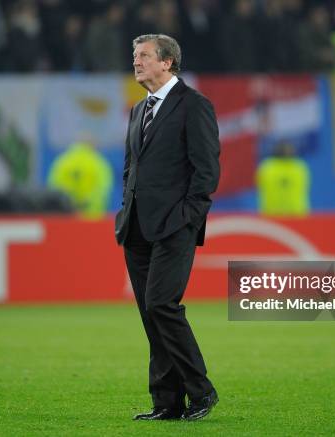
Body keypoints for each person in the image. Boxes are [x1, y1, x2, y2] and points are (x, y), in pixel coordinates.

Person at [114, 34, 220, 421]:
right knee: (150, 312)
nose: (136, 62)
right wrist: (126, 210)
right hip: (137, 228)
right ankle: (167, 401)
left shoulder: (194, 106)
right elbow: (132, 167)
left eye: (144, 56)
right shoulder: (138, 110)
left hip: (174, 225)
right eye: (135, 55)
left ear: (168, 62)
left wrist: (187, 217)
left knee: (162, 305)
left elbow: (206, 170)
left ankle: (201, 391)